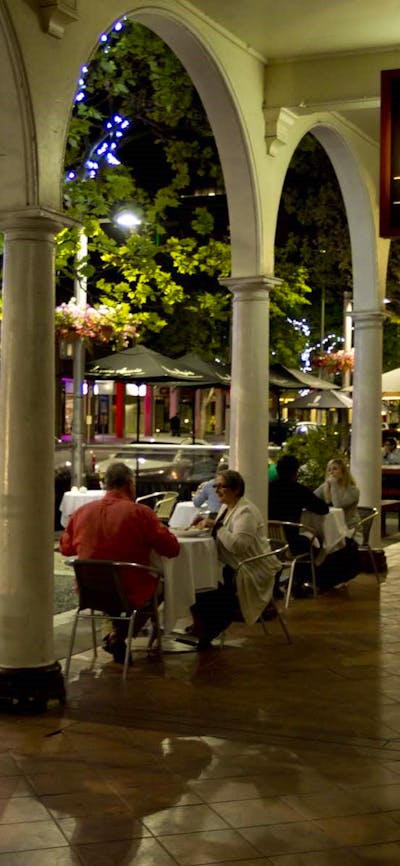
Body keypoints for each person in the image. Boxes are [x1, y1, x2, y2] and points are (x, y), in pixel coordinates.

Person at [60, 462, 180, 663]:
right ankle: (118, 635)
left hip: (90, 591)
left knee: (112, 594)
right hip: (130, 589)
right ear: (130, 484)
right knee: (163, 587)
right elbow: (172, 549)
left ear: (105, 485)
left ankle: (112, 634)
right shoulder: (140, 513)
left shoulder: (82, 512)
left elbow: (66, 548)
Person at [188, 469, 281, 649]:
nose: (216, 491)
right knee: (198, 580)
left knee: (210, 589)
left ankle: (208, 629)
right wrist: (208, 522)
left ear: (236, 489)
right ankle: (203, 626)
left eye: (222, 486)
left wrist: (217, 526)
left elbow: (238, 546)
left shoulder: (245, 512)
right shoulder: (226, 507)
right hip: (232, 564)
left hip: (251, 568)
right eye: (216, 486)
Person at [314, 457, 360, 529]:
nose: (331, 472)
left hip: (349, 528)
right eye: (329, 470)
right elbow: (311, 498)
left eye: (335, 469)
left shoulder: (353, 490)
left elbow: (338, 506)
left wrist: (334, 485)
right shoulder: (324, 487)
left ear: (343, 472)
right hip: (330, 527)